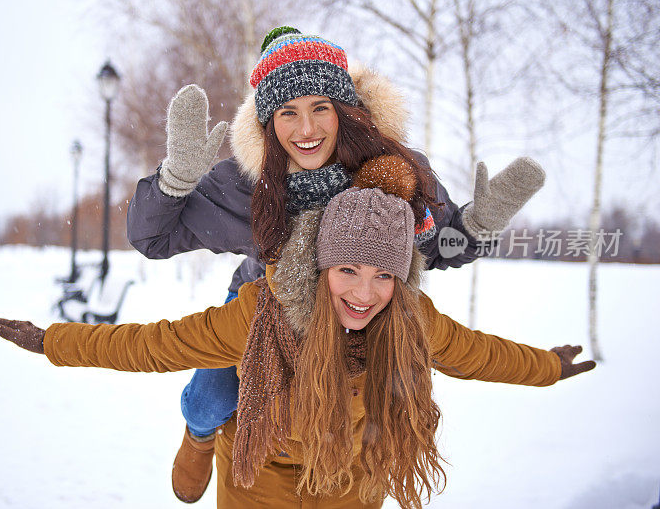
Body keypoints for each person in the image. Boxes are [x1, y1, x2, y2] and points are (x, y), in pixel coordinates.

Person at [125, 26, 546, 502]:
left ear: (343, 111)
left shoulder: (394, 171)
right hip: (265, 307)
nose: (306, 130)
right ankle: (199, 436)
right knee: (211, 401)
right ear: (268, 123)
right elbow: (151, 236)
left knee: (358, 418)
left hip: (365, 312)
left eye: (319, 108)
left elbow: (437, 248)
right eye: (288, 112)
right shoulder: (249, 185)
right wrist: (174, 181)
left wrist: (476, 225)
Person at [0, 186, 595, 509]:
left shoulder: (409, 319)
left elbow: (477, 352)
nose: (365, 293)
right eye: (349, 271)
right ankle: (198, 436)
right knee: (209, 394)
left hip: (356, 472)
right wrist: (54, 341)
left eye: (384, 275)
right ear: (321, 265)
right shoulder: (265, 311)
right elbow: (158, 343)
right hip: (260, 467)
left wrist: (547, 366)